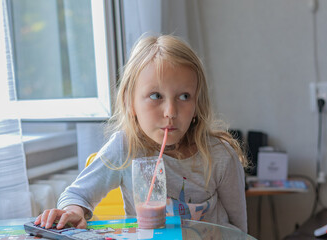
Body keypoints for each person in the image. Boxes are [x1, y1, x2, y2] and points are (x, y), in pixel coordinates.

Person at [35, 34, 248, 233]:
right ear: (130, 103)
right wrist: (73, 211)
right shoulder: (126, 147)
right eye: (156, 95)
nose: (171, 112)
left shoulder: (220, 156)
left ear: (197, 104)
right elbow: (76, 195)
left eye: (184, 96)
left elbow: (240, 229)